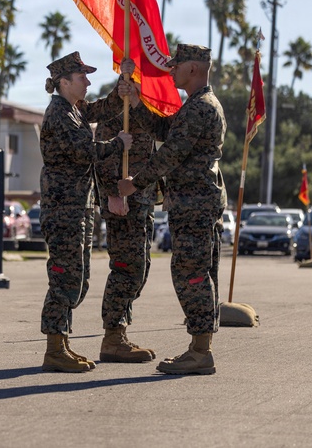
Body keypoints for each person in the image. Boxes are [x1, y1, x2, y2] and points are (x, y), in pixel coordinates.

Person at [119, 43, 227, 376]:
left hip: (194, 204)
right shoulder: (197, 106)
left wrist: (135, 183)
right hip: (195, 202)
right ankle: (200, 347)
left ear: (193, 68)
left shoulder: (199, 108)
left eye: (177, 66)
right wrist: (137, 104)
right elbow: (168, 132)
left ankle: (200, 351)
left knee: (190, 274)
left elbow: (170, 154)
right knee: (197, 273)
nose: (172, 70)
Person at [38, 52, 131, 372]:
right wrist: (118, 144)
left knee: (78, 279)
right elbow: (84, 152)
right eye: (82, 77)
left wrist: (122, 88)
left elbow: (100, 110)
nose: (88, 81)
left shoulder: (73, 111)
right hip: (63, 208)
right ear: (64, 82)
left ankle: (61, 343)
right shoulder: (59, 115)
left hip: (76, 207)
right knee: (65, 278)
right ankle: (54, 348)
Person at [89, 58, 158, 363]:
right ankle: (112, 338)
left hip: (142, 202)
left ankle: (120, 331)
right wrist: (113, 193)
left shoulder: (144, 112)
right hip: (123, 204)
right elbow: (102, 155)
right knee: (126, 269)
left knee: (139, 268)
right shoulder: (117, 113)